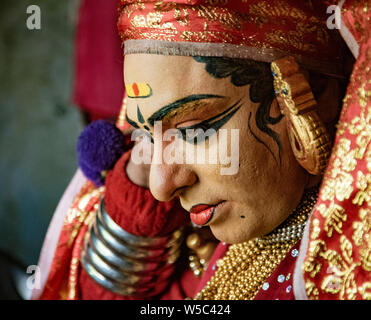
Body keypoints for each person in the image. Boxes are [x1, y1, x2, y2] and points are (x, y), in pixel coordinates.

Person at [33, 0, 370, 300]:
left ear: (311, 95)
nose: (161, 187)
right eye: (146, 136)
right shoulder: (203, 248)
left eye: (193, 130)